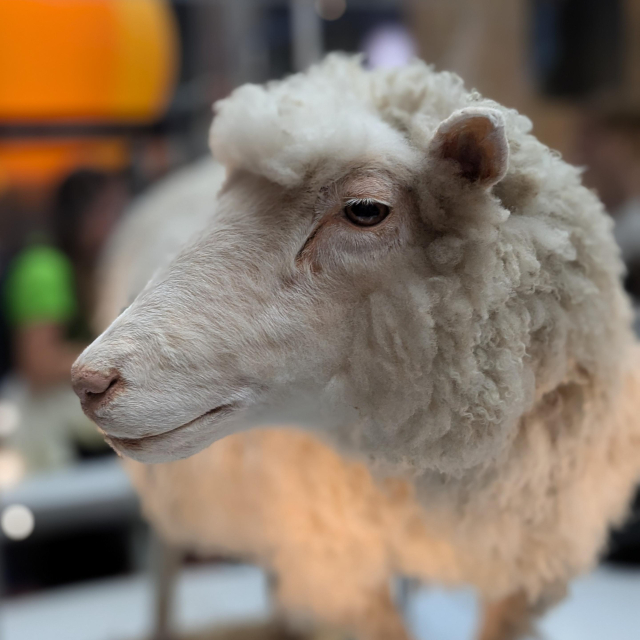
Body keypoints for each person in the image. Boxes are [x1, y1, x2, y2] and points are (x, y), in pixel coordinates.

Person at [2, 169, 128, 470]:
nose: (122, 224)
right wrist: (124, 353)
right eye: (111, 211)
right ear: (81, 214)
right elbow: (39, 364)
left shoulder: (96, 267)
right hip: (39, 427)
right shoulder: (44, 267)